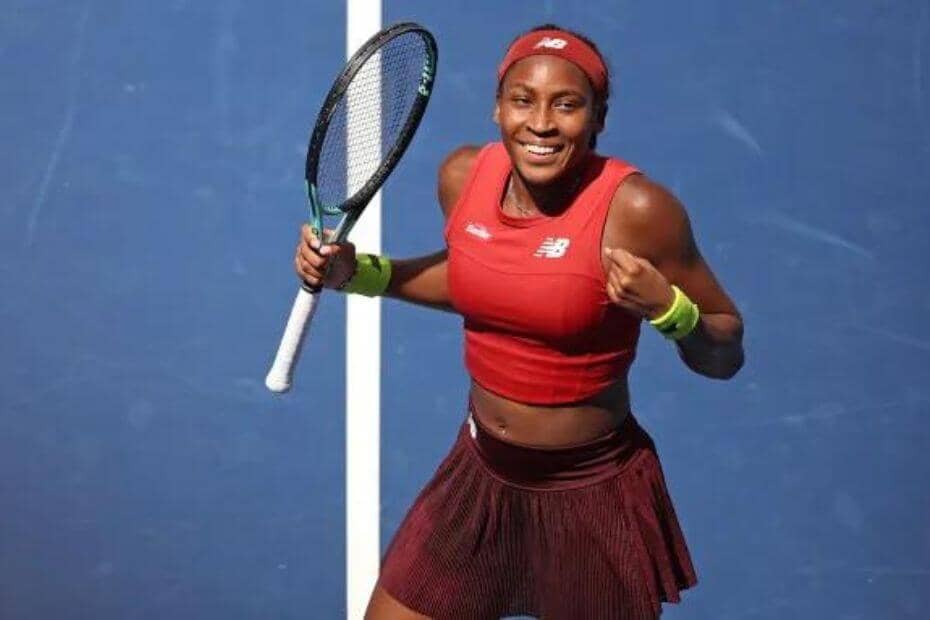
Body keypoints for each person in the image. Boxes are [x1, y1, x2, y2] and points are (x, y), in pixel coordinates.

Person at [296, 24, 744, 620]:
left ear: (598, 118)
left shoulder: (638, 212)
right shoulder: (463, 178)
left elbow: (724, 350)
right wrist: (360, 272)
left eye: (567, 104)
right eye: (522, 100)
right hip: (479, 476)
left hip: (589, 496)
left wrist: (670, 310)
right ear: (497, 107)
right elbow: (477, 281)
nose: (540, 123)